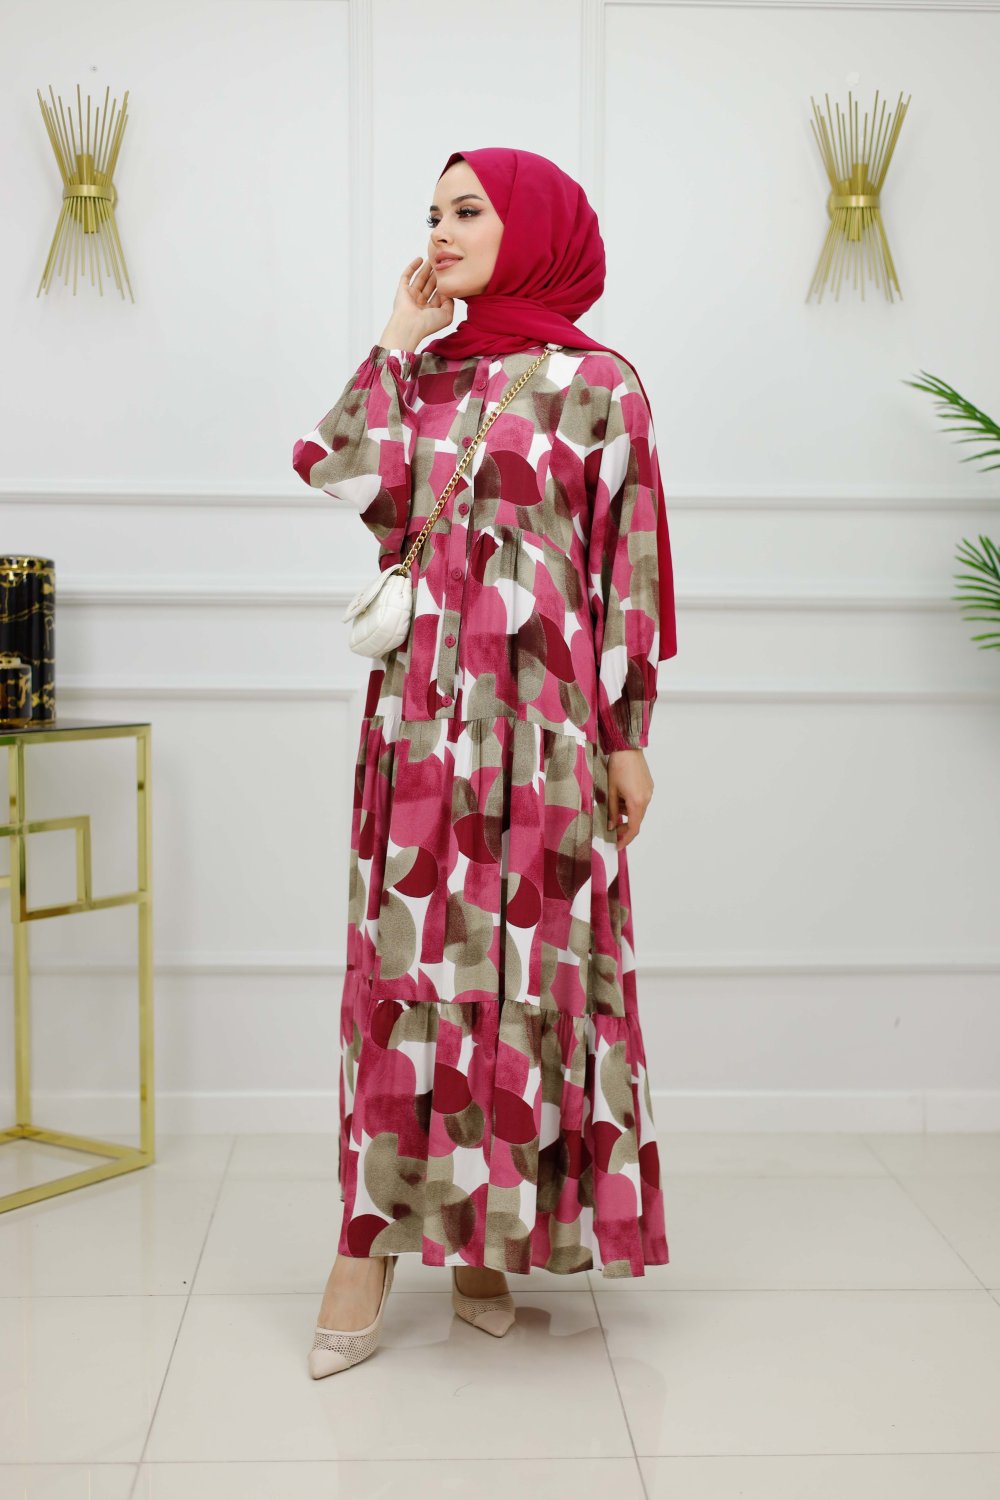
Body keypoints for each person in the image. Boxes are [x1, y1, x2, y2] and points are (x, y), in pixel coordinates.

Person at [291, 146, 678, 1378]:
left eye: (468, 210)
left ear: (535, 228)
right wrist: (396, 338)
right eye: (433, 213)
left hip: (549, 728)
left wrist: (628, 734)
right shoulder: (424, 376)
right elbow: (340, 469)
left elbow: (624, 572)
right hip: (420, 719)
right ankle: (364, 1246)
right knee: (408, 966)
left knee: (522, 971)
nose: (442, 231)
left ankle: (482, 1240)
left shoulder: (601, 386)